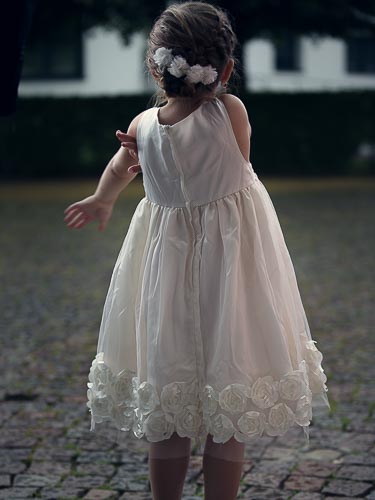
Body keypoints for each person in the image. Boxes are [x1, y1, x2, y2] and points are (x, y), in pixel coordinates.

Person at [64, 2, 330, 499]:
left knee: (169, 384)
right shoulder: (230, 113)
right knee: (228, 376)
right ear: (226, 69)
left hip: (165, 267)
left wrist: (103, 198)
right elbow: (239, 168)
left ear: (153, 67)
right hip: (231, 266)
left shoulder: (143, 126)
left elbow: (121, 166)